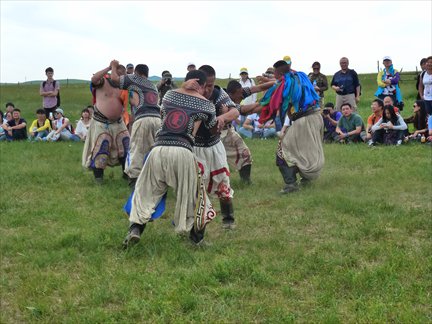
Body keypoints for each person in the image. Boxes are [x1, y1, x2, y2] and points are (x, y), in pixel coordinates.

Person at [122, 70, 218, 248]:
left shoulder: (169, 95)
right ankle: (197, 240)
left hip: (158, 149)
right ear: (202, 85)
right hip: (183, 151)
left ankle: (135, 229)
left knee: (146, 191)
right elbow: (213, 129)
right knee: (196, 197)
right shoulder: (207, 105)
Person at [184, 65, 239, 229]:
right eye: (205, 85)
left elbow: (235, 111)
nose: (208, 89)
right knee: (194, 186)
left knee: (223, 182)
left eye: (211, 84)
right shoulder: (187, 96)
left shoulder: (218, 93)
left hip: (215, 146)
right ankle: (193, 223)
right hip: (194, 147)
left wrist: (222, 117)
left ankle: (228, 220)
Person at [259, 59, 324, 193]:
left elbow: (270, 103)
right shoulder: (300, 76)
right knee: (306, 151)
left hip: (304, 121)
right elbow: (279, 80)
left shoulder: (286, 84)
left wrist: (242, 110)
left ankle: (291, 184)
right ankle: (306, 179)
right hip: (316, 117)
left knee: (282, 151)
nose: (275, 77)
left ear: (279, 73)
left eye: (275, 74)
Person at [110, 61, 161, 188]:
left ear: (136, 72)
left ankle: (134, 179)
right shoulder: (153, 86)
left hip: (143, 118)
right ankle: (156, 179)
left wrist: (113, 66)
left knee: (137, 149)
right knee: (154, 150)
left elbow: (114, 79)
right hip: (157, 120)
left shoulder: (134, 79)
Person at [82, 62, 130, 183]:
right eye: (119, 74)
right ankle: (99, 178)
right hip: (101, 123)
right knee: (101, 148)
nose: (121, 77)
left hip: (119, 122)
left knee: (127, 146)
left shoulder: (123, 86)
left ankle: (127, 174)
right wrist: (109, 67)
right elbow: (94, 79)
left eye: (123, 75)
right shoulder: (103, 81)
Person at [224, 79, 275, 184]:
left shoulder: (239, 93)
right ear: (231, 94)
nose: (242, 97)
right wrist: (269, 100)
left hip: (228, 130)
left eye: (242, 93)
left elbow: (259, 87)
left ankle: (246, 181)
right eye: (239, 95)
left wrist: (279, 82)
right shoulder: (225, 102)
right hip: (215, 135)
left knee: (245, 154)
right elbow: (249, 110)